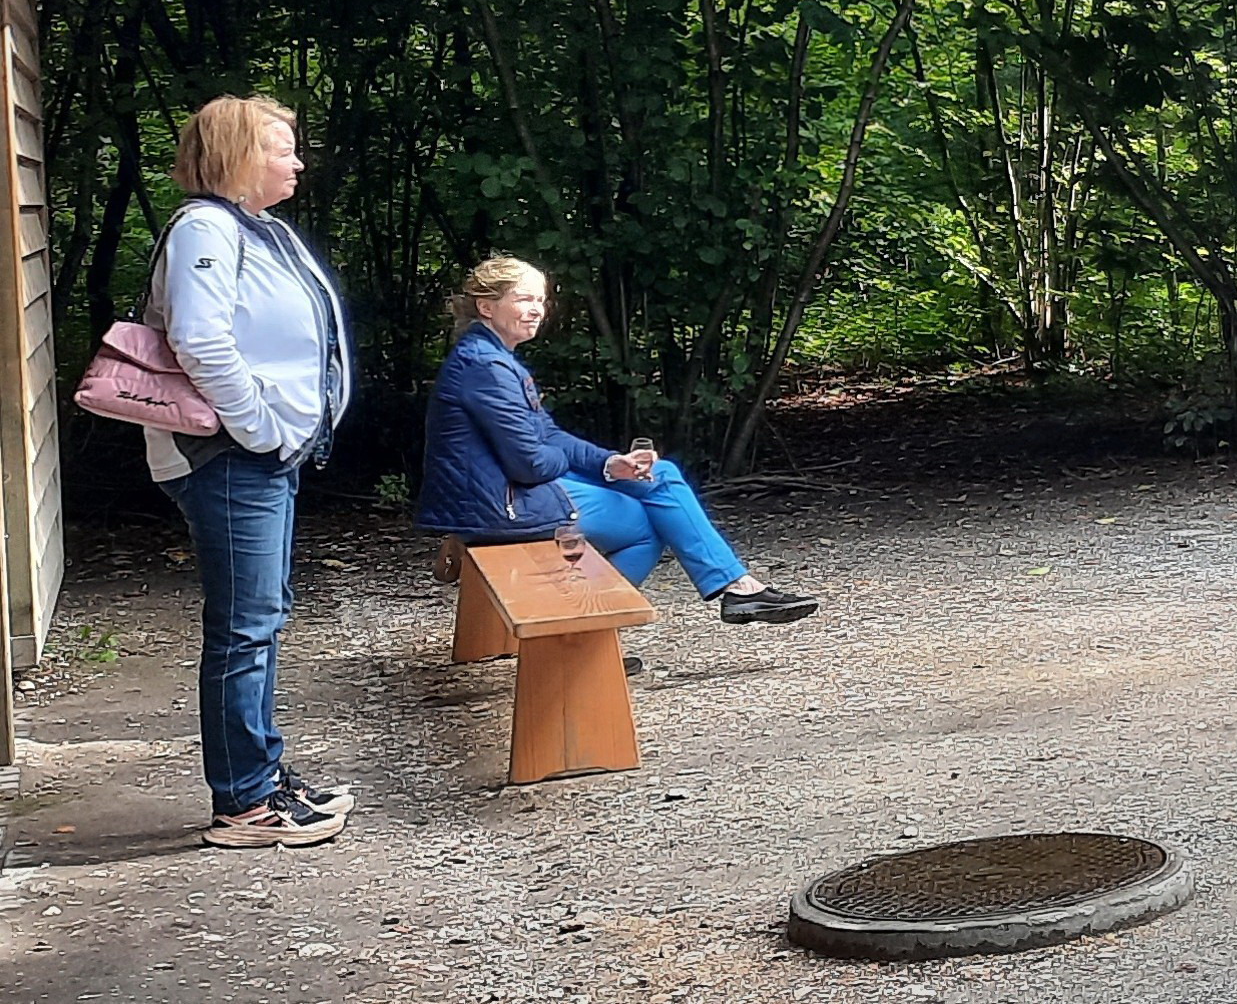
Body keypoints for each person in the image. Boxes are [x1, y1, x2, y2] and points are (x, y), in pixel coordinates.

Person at [145, 95, 357, 848]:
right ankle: (243, 803)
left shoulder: (256, 228)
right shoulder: (205, 228)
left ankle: (259, 776)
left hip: (260, 456)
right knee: (244, 627)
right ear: (237, 154)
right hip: (230, 456)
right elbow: (201, 340)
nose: (296, 161)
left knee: (259, 619)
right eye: (279, 147)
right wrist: (263, 428)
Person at [416, 257, 819, 624]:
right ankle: (581, 636)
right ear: (487, 307)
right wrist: (559, 457)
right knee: (647, 526)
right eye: (524, 299)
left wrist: (609, 464)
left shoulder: (492, 358)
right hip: (499, 507)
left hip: (504, 495)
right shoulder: (486, 366)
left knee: (659, 474)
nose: (537, 309)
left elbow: (547, 436)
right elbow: (531, 463)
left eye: (540, 299)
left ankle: (736, 586)